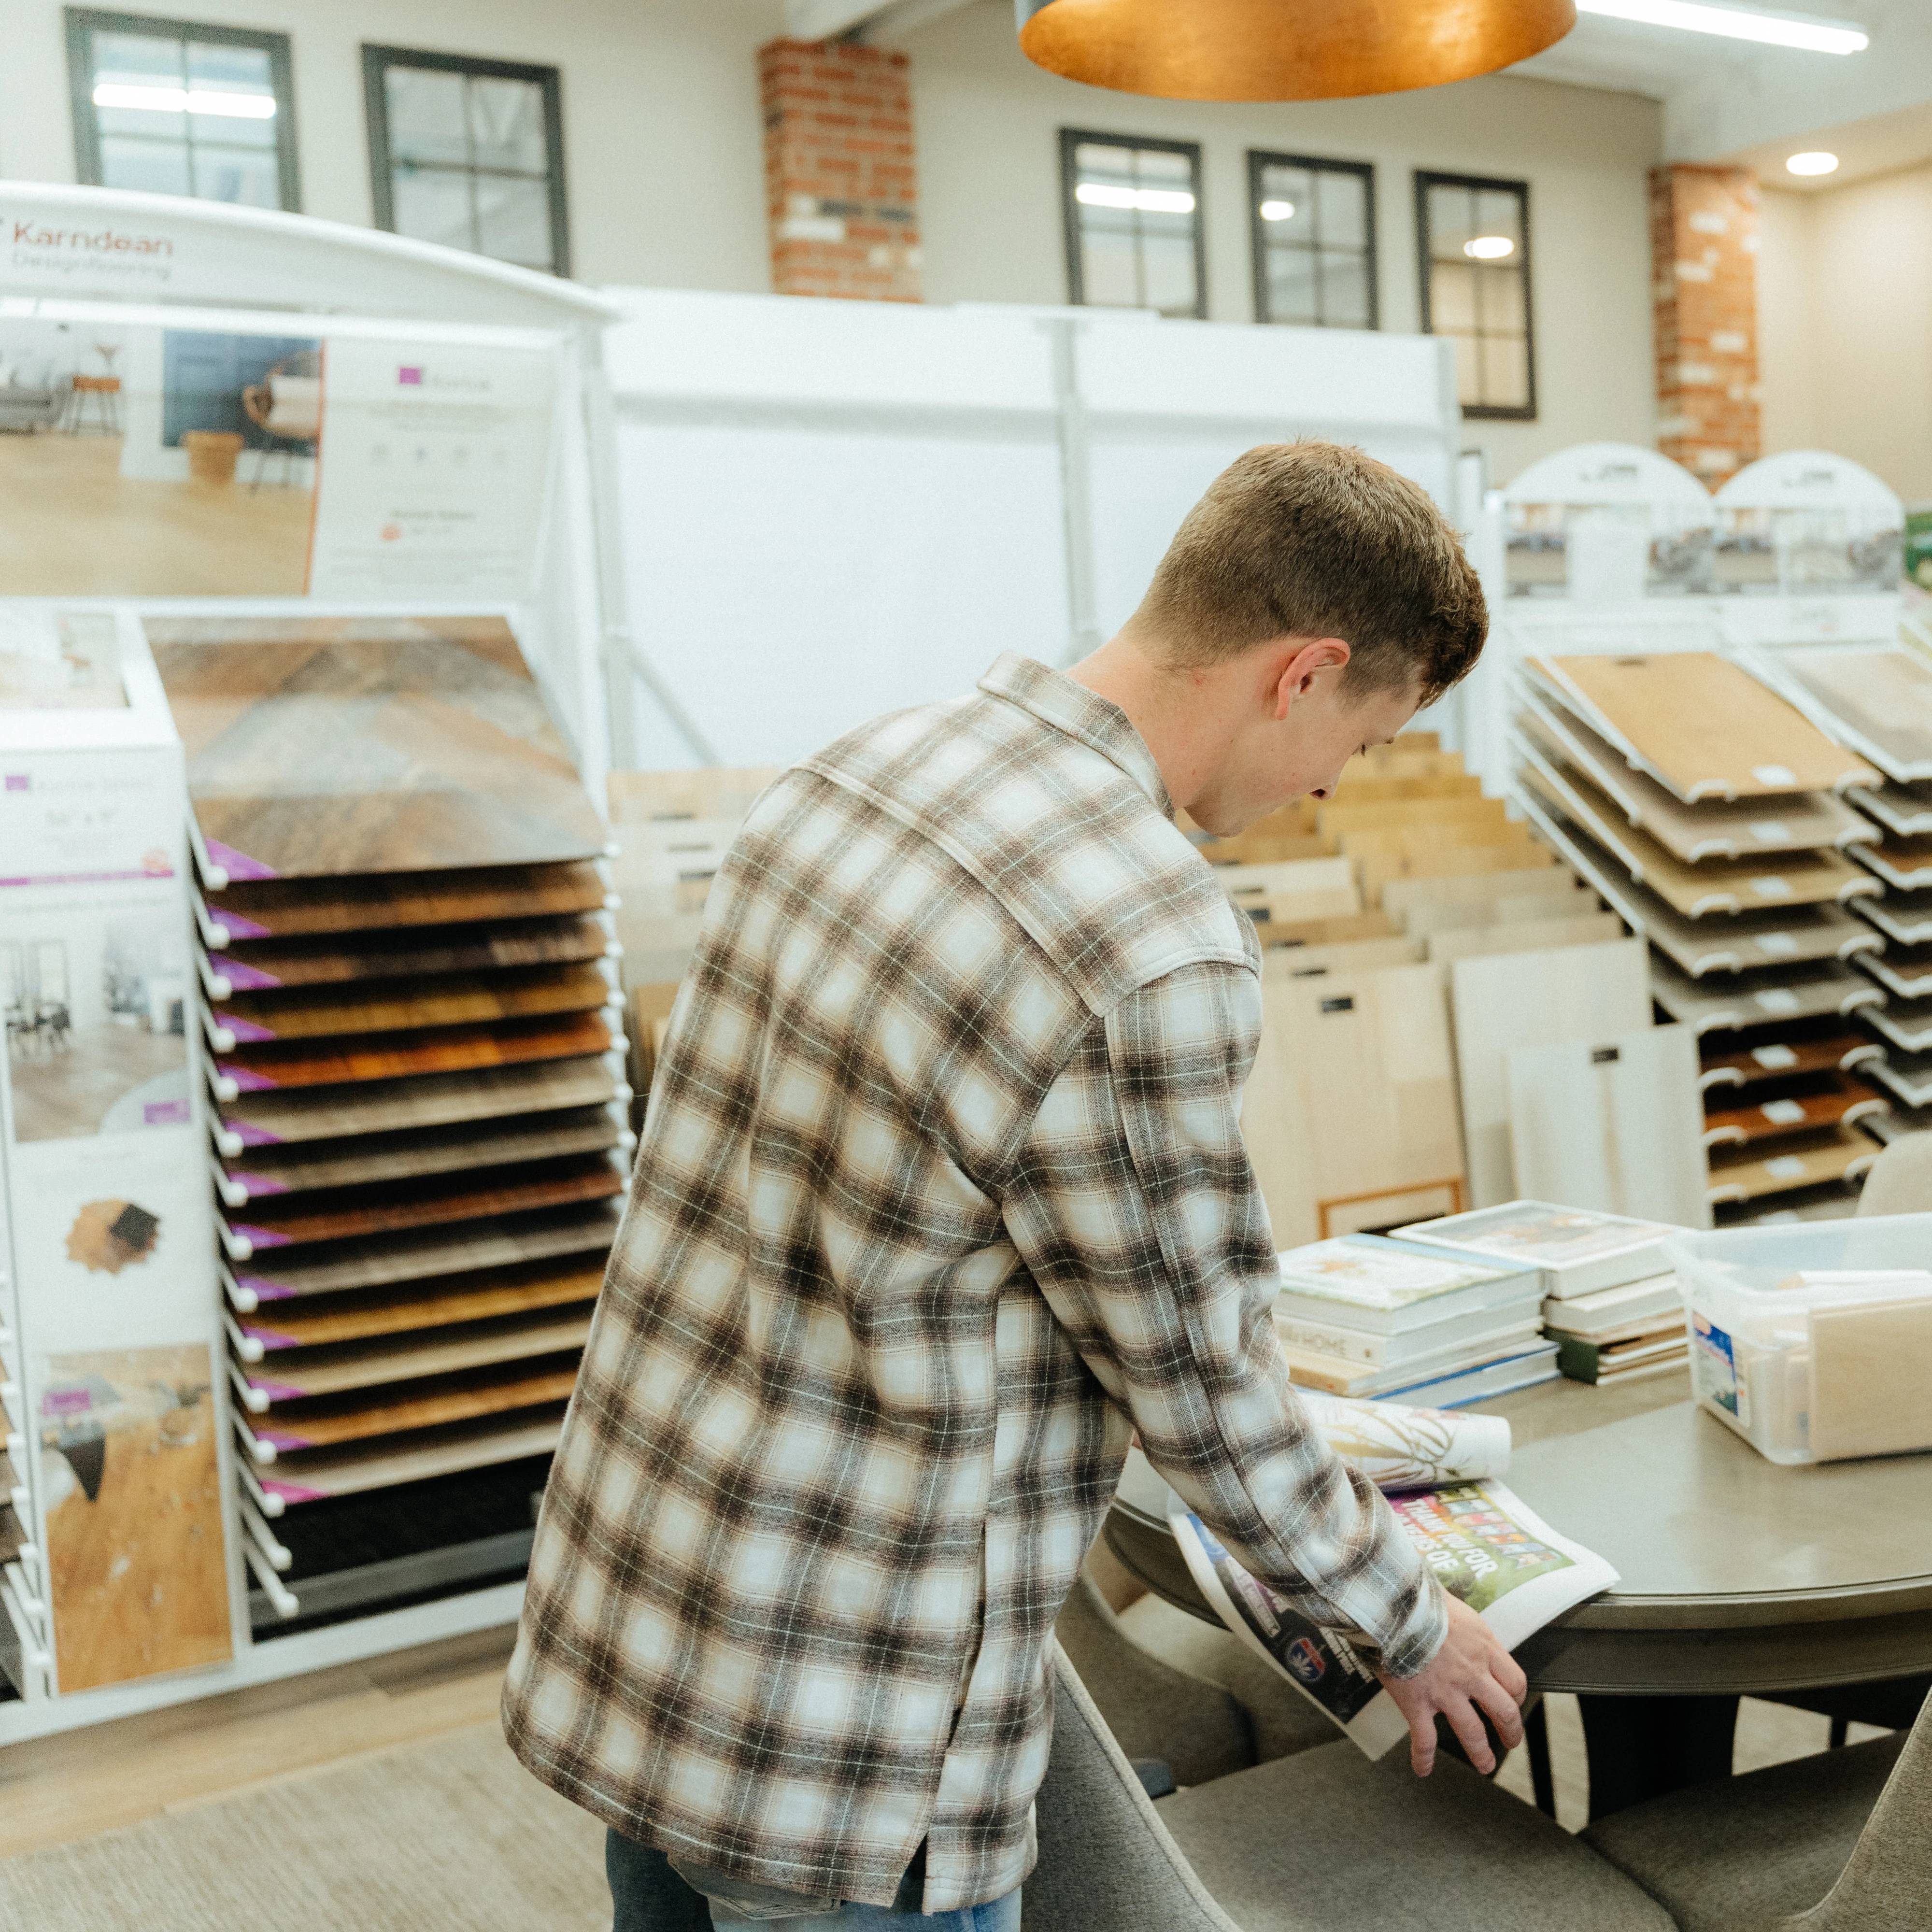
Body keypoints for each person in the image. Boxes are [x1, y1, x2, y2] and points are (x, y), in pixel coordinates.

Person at [503, 440, 1526, 1930]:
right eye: (1361, 742)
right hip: (847, 1726)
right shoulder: (1148, 936)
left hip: (647, 1624)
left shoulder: (852, 773)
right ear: (1304, 673)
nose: (1327, 786)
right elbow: (1204, 1389)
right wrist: (1411, 1624)